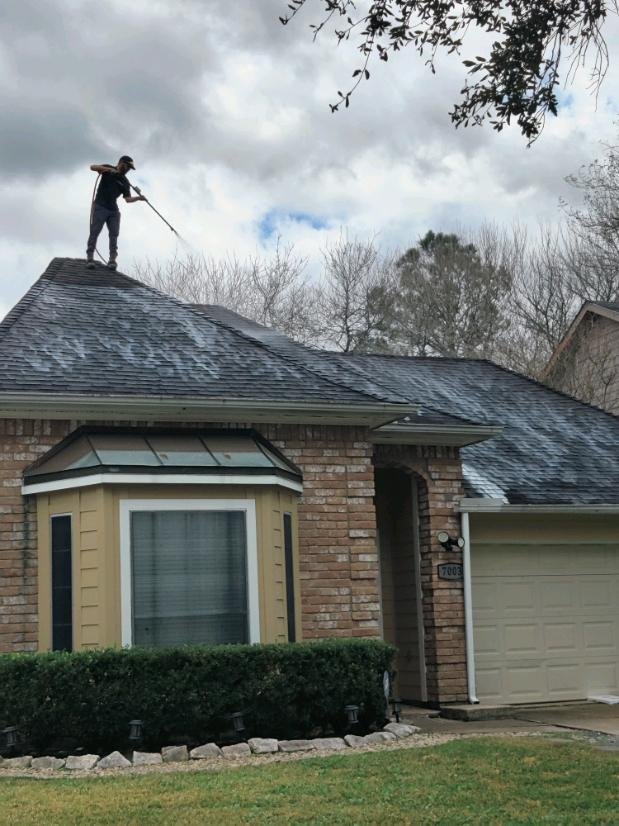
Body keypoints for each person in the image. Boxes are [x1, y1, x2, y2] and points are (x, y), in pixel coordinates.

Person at [86, 155, 145, 270]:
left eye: (129, 168)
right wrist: (107, 170)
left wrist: (139, 198)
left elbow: (127, 199)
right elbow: (92, 167)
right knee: (95, 231)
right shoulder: (108, 169)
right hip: (100, 206)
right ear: (121, 163)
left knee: (114, 234)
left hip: (113, 210)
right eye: (127, 166)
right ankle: (90, 257)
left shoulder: (125, 181)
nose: (127, 169)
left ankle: (112, 260)